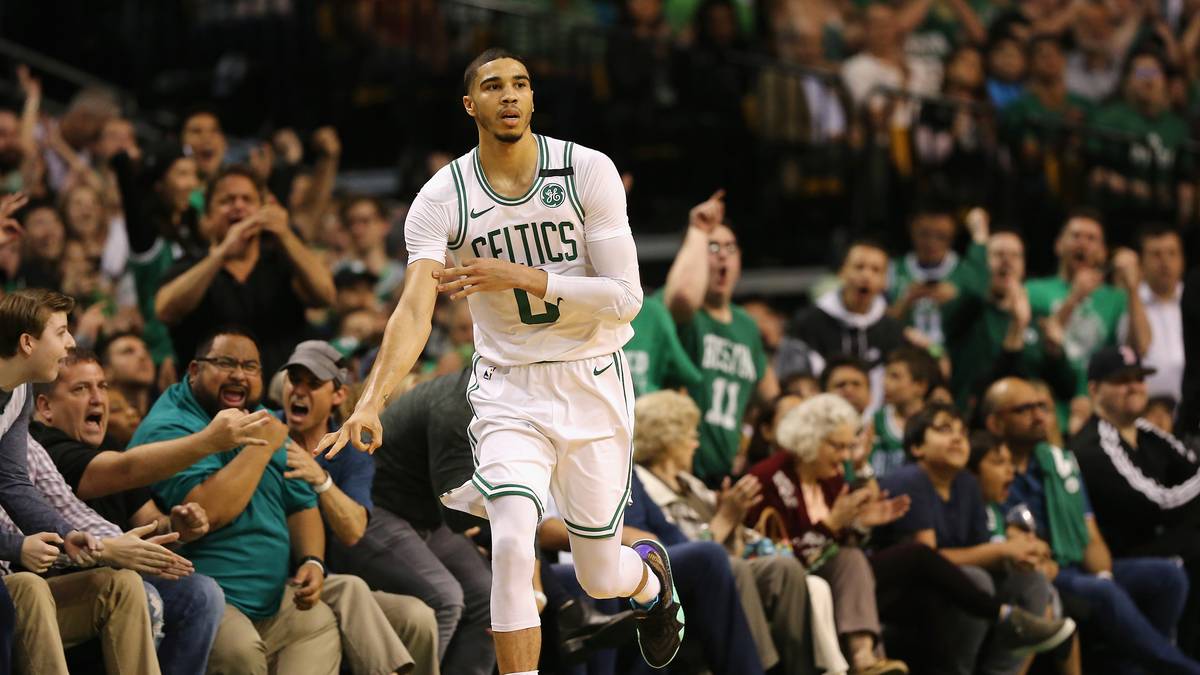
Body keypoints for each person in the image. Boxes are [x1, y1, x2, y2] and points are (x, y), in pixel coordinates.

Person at [318, 49, 682, 675]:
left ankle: (647, 579)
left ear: (533, 99)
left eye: (520, 84)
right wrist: (372, 398)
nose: (509, 95)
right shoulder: (444, 195)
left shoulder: (586, 170)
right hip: (506, 386)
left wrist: (523, 276)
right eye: (493, 86)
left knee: (598, 577)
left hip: (590, 374)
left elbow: (626, 301)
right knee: (512, 537)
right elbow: (413, 307)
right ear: (471, 105)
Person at [133, 327, 343, 674]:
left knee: (317, 622)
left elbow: (301, 503)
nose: (239, 375)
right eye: (226, 363)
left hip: (273, 599)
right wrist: (260, 449)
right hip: (209, 599)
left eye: (250, 367)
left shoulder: (260, 418)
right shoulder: (170, 427)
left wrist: (312, 561)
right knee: (240, 653)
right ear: (195, 371)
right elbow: (209, 512)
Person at [983, 377, 1200, 674]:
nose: (1038, 416)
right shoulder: (986, 468)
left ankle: (1132, 669)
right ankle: (1183, 669)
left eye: (1041, 407)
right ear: (995, 423)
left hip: (1075, 566)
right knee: (1103, 593)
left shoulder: (1060, 463)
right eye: (1024, 409)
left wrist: (1103, 574)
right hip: (1040, 575)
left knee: (1168, 576)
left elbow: (1091, 535)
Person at [29, 349, 225, 675]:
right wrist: (208, 441)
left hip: (119, 581)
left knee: (202, 594)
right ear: (45, 408)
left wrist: (177, 526)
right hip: (62, 589)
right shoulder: (47, 447)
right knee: (140, 593)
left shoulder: (112, 452)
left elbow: (150, 524)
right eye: (81, 389)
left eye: (102, 386)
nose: (97, 399)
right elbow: (122, 471)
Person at [632, 389, 848, 675]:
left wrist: (734, 522)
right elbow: (683, 551)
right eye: (690, 434)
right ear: (665, 439)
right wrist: (722, 520)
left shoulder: (691, 484)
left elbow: (729, 545)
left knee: (784, 567)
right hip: (691, 578)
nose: (697, 443)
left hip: (725, 562)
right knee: (735, 569)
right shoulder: (644, 486)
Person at [0, 288, 157, 674]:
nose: (71, 343)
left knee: (121, 586)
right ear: (27, 342)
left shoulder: (20, 390)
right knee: (30, 588)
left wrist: (66, 534)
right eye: (62, 332)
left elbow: (14, 483)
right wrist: (16, 546)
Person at [277, 340, 441, 675]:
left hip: (326, 578)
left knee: (419, 617)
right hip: (280, 578)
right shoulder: (267, 430)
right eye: (294, 380)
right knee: (352, 590)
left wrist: (320, 479)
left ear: (338, 396)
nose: (299, 391)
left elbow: (353, 530)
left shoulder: (350, 450)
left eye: (313, 384)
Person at [879, 403, 1074, 674]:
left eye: (962, 431)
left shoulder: (966, 484)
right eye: (944, 429)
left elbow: (980, 551)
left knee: (1031, 581)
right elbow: (925, 559)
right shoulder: (909, 480)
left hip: (956, 583)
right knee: (976, 579)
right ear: (916, 448)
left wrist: (1021, 554)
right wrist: (1002, 550)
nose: (958, 437)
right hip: (901, 592)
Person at [745, 394, 910, 675]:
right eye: (837, 446)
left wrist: (859, 524)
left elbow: (838, 545)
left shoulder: (831, 479)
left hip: (828, 577)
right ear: (810, 440)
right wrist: (832, 524)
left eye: (849, 447)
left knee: (852, 558)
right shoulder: (767, 478)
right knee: (847, 563)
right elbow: (774, 556)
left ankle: (864, 658)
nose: (845, 457)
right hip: (785, 583)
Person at [1071, 346, 1200, 656]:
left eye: (1140, 378)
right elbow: (1158, 505)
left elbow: (1190, 472)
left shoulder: (1146, 432)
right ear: (1094, 389)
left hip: (1159, 540)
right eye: (1122, 380)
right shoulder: (1093, 446)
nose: (1135, 387)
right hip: (1121, 555)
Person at [153, 165, 336, 374]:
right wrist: (221, 255)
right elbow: (165, 311)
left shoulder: (281, 261)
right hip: (209, 403)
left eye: (247, 199)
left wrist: (285, 234)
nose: (238, 206)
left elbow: (325, 296)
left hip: (281, 399)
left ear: (262, 209)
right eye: (227, 200)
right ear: (208, 216)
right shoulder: (190, 264)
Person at [662, 190, 778, 483]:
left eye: (731, 248)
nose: (723, 255)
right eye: (713, 248)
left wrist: (750, 444)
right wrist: (698, 232)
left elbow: (772, 399)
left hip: (725, 473)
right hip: (679, 470)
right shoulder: (685, 313)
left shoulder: (746, 325)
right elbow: (685, 295)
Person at [1026, 211, 1151, 404]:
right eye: (1075, 236)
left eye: (1091, 238)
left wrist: (1133, 288)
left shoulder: (1116, 298)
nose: (1082, 244)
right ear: (1058, 245)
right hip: (1048, 403)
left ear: (1102, 252)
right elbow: (1037, 350)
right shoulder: (1034, 291)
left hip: (1098, 406)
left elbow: (1139, 349)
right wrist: (1073, 299)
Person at [942, 229, 1076, 408]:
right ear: (982, 262)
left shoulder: (1038, 319)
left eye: (1015, 255)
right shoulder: (967, 313)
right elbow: (995, 390)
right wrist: (979, 239)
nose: (1007, 261)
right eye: (998, 254)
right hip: (977, 424)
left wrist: (1057, 356)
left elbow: (1066, 390)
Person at [791, 240, 906, 412]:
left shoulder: (892, 330)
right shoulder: (808, 323)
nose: (866, 276)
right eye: (859, 267)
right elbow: (793, 380)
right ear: (842, 272)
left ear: (884, 280)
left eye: (876, 270)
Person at [886, 207, 989, 347]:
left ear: (952, 235)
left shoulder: (967, 273)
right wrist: (907, 300)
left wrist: (958, 297)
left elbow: (985, 303)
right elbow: (876, 325)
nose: (931, 242)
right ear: (911, 230)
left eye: (941, 236)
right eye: (924, 234)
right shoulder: (892, 270)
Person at [870, 345, 939, 479]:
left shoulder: (937, 423)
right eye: (886, 375)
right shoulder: (875, 421)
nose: (885, 383)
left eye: (895, 377)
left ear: (920, 386)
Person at [1137, 225, 1185, 401]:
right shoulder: (1130, 302)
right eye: (1156, 254)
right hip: (1147, 410)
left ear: (1182, 260)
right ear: (1141, 262)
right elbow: (1138, 348)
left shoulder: (1193, 300)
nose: (1165, 262)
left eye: (1172, 253)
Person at [97, 331, 157, 418]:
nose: (143, 355)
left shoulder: (169, 413)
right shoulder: (97, 421)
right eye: (128, 351)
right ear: (106, 372)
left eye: (146, 350)